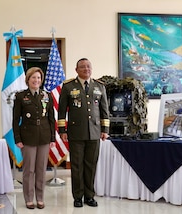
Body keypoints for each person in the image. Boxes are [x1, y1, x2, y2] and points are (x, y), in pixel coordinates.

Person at [58, 58, 110, 208]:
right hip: (75, 132)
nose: (86, 69)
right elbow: (62, 111)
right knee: (77, 166)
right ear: (76, 70)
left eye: (88, 66)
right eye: (82, 67)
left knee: (91, 165)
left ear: (91, 69)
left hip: (94, 133)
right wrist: (62, 130)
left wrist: (105, 130)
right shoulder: (68, 86)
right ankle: (78, 197)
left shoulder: (99, 86)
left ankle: (89, 196)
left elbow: (104, 111)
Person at [12, 67, 56, 209]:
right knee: (29, 170)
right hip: (27, 137)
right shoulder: (20, 96)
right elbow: (15, 119)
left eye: (38, 78)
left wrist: (53, 138)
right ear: (28, 80)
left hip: (44, 136)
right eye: (33, 78)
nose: (36, 80)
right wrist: (17, 138)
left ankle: (40, 198)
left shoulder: (46, 95)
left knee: (41, 169)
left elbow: (51, 118)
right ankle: (29, 198)